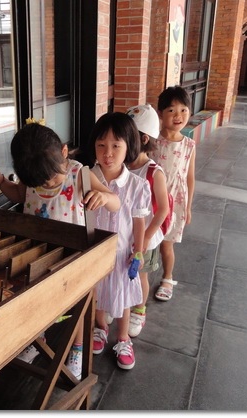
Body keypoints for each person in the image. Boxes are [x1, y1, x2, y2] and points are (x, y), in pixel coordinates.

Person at [0, 122, 120, 379]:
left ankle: (77, 348)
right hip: (38, 251)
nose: (47, 183)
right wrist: (0, 181)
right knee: (37, 299)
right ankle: (38, 340)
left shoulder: (78, 173)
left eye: (52, 178)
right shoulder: (33, 175)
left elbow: (115, 202)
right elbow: (19, 196)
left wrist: (105, 198)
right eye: (40, 181)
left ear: (64, 152)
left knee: (78, 302)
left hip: (73, 253)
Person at [86, 112, 150, 370]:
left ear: (129, 146)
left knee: (123, 298)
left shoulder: (137, 185)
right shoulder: (86, 177)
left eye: (115, 146)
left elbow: (139, 221)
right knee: (98, 292)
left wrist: (139, 250)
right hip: (94, 251)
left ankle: (123, 339)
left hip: (122, 252)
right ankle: (100, 327)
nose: (108, 153)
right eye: (101, 145)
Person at [126, 104, 171, 337]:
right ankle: (121, 304)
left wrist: (144, 238)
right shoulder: (122, 167)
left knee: (140, 275)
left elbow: (163, 210)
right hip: (126, 233)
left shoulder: (154, 172)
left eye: (125, 138)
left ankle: (139, 311)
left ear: (143, 139)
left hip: (147, 237)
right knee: (123, 272)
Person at [149, 86, 196, 301]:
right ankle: (140, 275)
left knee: (167, 244)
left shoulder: (189, 145)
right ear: (160, 114)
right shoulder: (151, 141)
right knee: (147, 238)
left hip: (175, 201)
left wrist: (188, 207)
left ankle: (167, 278)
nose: (178, 116)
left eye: (183, 110)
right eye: (171, 110)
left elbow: (189, 178)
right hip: (152, 199)